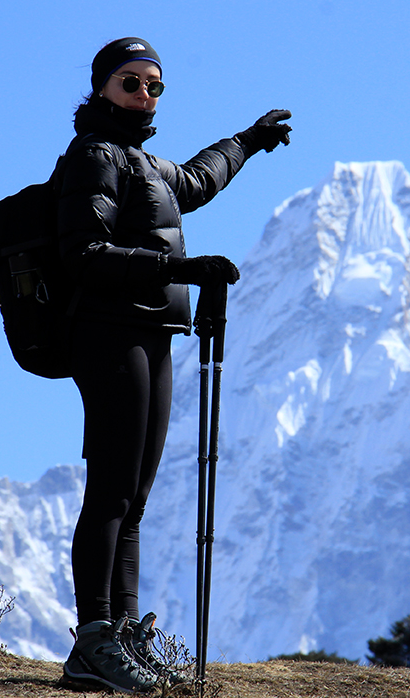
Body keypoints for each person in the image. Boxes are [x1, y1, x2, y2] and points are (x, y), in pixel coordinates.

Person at [55, 37, 291, 693]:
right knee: (109, 491)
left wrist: (247, 139)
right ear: (102, 85)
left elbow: (196, 181)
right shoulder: (94, 156)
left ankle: (122, 635)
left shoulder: (142, 163)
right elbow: (83, 252)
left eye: (156, 86)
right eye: (132, 82)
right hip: (108, 332)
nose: (144, 95)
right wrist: (179, 268)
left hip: (151, 330)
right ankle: (92, 640)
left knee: (133, 497)